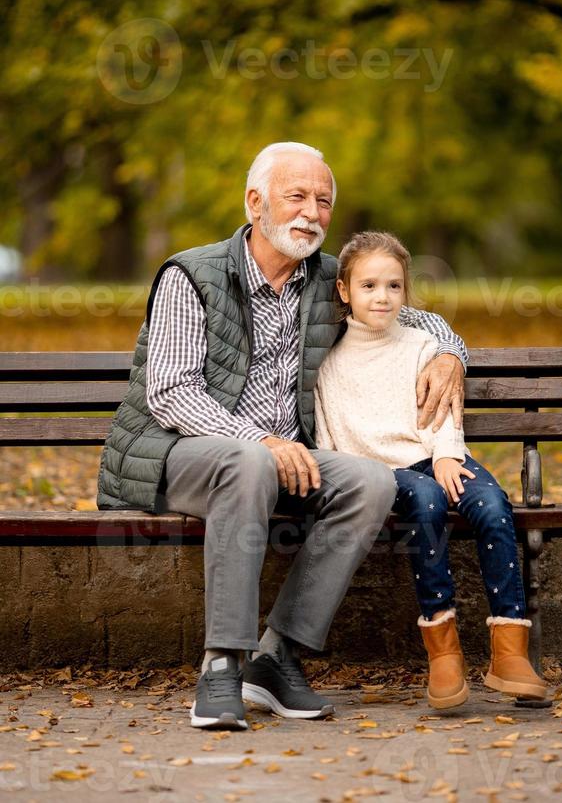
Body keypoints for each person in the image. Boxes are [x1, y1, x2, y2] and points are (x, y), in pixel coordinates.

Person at [97, 142, 469, 730]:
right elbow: (169, 392)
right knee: (246, 462)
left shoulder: (328, 280)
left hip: (284, 460)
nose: (311, 212)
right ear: (255, 203)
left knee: (372, 482)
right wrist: (261, 441)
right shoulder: (190, 274)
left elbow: (415, 317)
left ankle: (277, 658)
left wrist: (450, 352)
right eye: (296, 196)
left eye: (323, 201)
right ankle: (221, 665)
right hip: (177, 453)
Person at [314, 230, 547, 708]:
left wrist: (445, 454)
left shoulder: (423, 343)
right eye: (369, 286)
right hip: (378, 471)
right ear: (344, 290)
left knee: (489, 502)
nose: (383, 297)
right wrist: (348, 477)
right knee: (425, 500)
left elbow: (444, 410)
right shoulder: (328, 361)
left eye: (394, 286)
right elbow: (328, 437)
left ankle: (509, 653)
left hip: (432, 455)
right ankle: (444, 654)